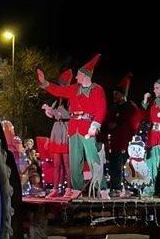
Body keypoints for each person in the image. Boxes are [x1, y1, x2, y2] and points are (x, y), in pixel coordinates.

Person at [37, 54, 107, 198]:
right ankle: (76, 188)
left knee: (93, 157)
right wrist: (45, 83)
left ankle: (102, 188)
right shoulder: (75, 88)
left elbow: (101, 109)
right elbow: (58, 90)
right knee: (75, 160)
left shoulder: (97, 89)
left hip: (87, 127)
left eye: (79, 75)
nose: (76, 78)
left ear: (86, 76)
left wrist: (95, 125)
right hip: (73, 128)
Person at [106, 73, 142, 196]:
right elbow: (107, 121)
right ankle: (115, 187)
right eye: (113, 94)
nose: (114, 96)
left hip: (127, 140)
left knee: (128, 165)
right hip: (115, 142)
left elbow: (132, 121)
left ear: (122, 95)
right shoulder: (113, 108)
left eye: (116, 94)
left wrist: (117, 123)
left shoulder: (130, 107)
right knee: (115, 165)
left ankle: (131, 188)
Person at [41, 68, 72, 198]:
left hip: (65, 130)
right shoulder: (56, 100)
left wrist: (53, 112)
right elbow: (53, 115)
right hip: (56, 131)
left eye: (62, 84)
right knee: (56, 164)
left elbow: (65, 114)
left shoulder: (70, 99)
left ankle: (69, 188)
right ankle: (55, 188)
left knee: (66, 163)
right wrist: (48, 110)